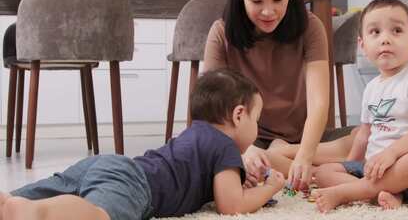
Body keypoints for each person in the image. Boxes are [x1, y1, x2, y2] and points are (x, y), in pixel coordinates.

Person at [0, 69, 286, 220]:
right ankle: (34, 213)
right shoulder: (226, 146)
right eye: (256, 119)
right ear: (239, 115)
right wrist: (270, 187)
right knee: (100, 214)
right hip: (135, 183)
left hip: (107, 165)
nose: (257, 128)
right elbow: (231, 204)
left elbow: (216, 184)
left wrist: (241, 179)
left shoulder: (197, 132)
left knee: (25, 196)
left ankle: (10, 203)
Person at [203, 0, 356, 191]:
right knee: (206, 151)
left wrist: (305, 155)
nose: (268, 11)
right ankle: (317, 172)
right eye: (256, 1)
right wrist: (245, 148)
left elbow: (319, 103)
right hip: (247, 141)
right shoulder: (221, 33)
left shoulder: (311, 27)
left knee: (367, 137)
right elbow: (211, 107)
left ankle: (283, 156)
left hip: (302, 139)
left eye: (278, 0)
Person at [309, 0, 408, 212]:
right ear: (362, 45)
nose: (385, 39)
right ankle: (381, 193)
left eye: (396, 31)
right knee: (323, 172)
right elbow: (364, 134)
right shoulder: (372, 87)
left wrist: (392, 153)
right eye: (375, 32)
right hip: (375, 168)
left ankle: (347, 193)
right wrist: (349, 165)